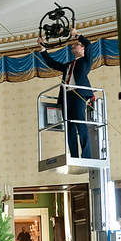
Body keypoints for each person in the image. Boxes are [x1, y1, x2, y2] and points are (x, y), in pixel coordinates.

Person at [38, 27, 94, 158]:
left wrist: (77, 35)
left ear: (83, 50)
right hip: (66, 97)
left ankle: (86, 155)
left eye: (77, 45)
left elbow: (89, 44)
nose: (73, 45)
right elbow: (52, 63)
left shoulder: (86, 61)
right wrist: (42, 48)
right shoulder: (68, 65)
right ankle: (74, 155)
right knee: (69, 128)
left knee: (81, 125)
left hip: (78, 95)